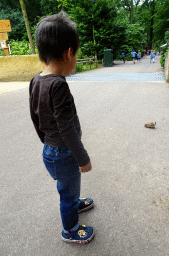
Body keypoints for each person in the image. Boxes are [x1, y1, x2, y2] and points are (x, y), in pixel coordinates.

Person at [29, 13, 94, 244]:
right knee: (67, 192)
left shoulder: (37, 80)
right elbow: (67, 129)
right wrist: (82, 158)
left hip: (50, 150)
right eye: (76, 54)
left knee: (66, 187)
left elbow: (34, 115)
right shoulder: (59, 85)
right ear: (68, 53)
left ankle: (74, 204)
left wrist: (45, 141)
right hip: (65, 154)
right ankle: (70, 230)